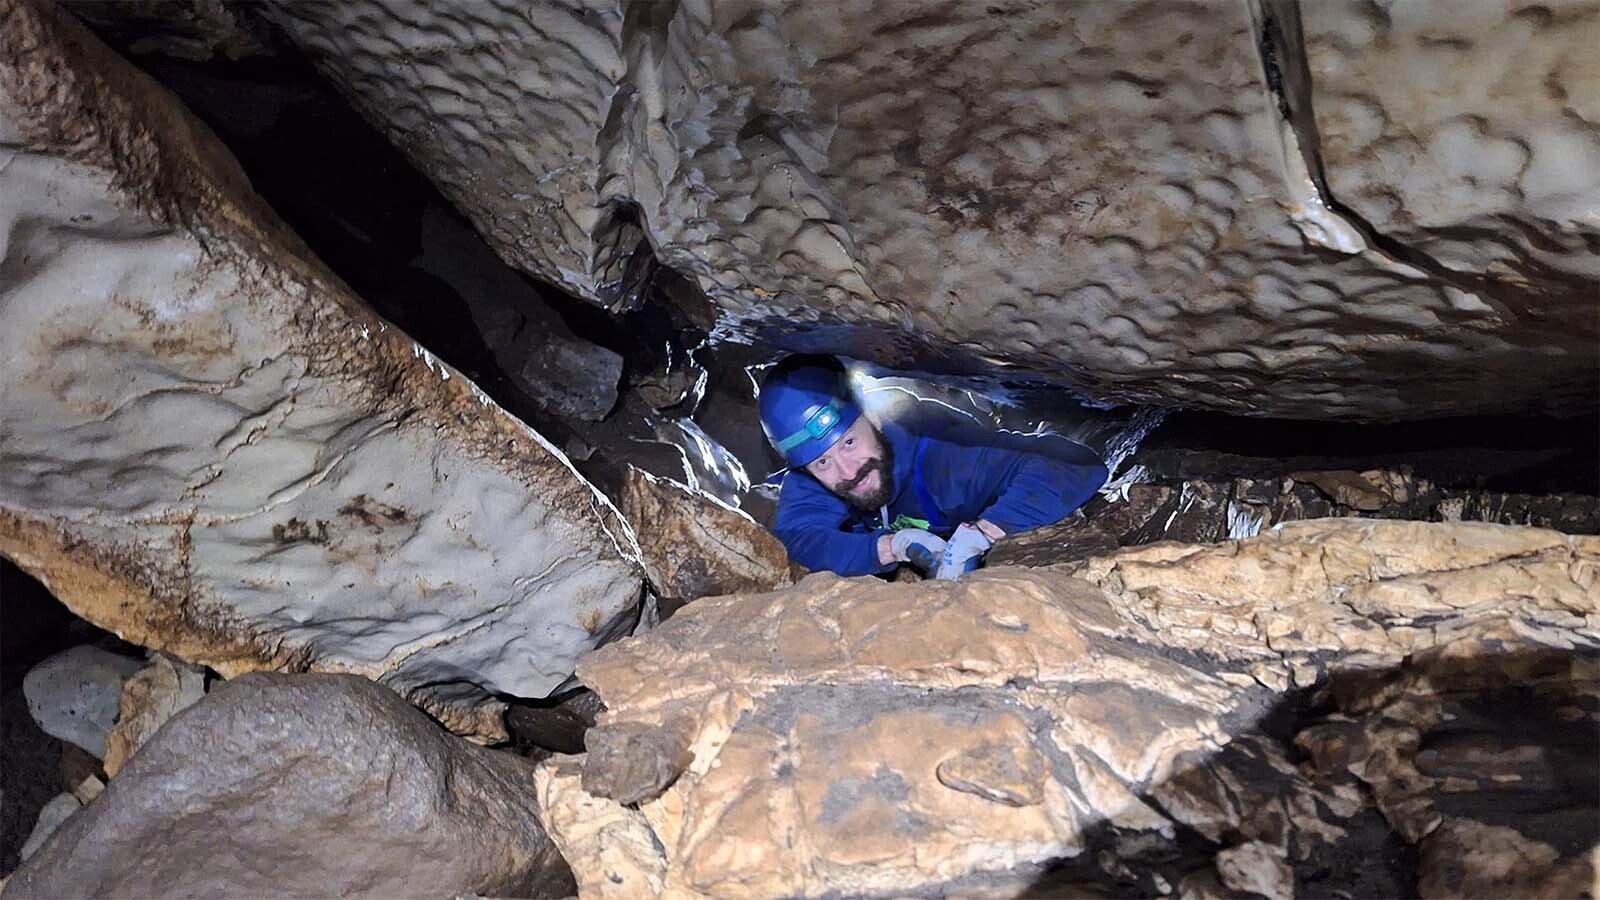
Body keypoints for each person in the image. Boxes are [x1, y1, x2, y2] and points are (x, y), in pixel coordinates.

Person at [759, 356, 1109, 579]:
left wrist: (984, 534)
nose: (848, 472)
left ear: (874, 416)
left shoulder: (943, 456)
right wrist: (890, 547)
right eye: (823, 461)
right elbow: (797, 538)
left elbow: (1071, 465)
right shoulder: (814, 475)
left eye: (849, 443)